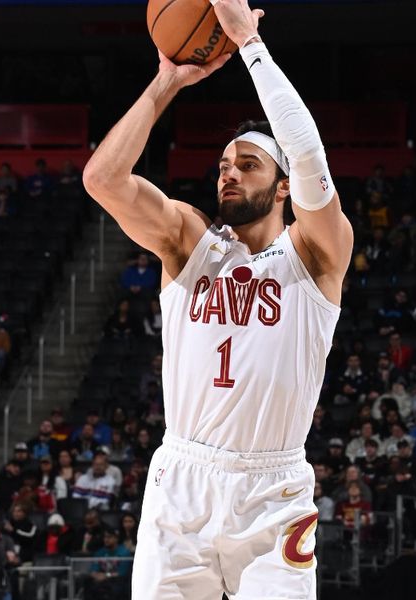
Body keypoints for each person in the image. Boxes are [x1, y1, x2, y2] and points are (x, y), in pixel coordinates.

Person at [82, 1, 353, 597]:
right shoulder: (188, 242)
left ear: (283, 188)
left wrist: (249, 44)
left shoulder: (317, 254)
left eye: (248, 165)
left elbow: (308, 154)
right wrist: (165, 82)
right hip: (183, 480)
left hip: (273, 490)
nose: (228, 173)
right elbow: (101, 179)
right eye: (224, 164)